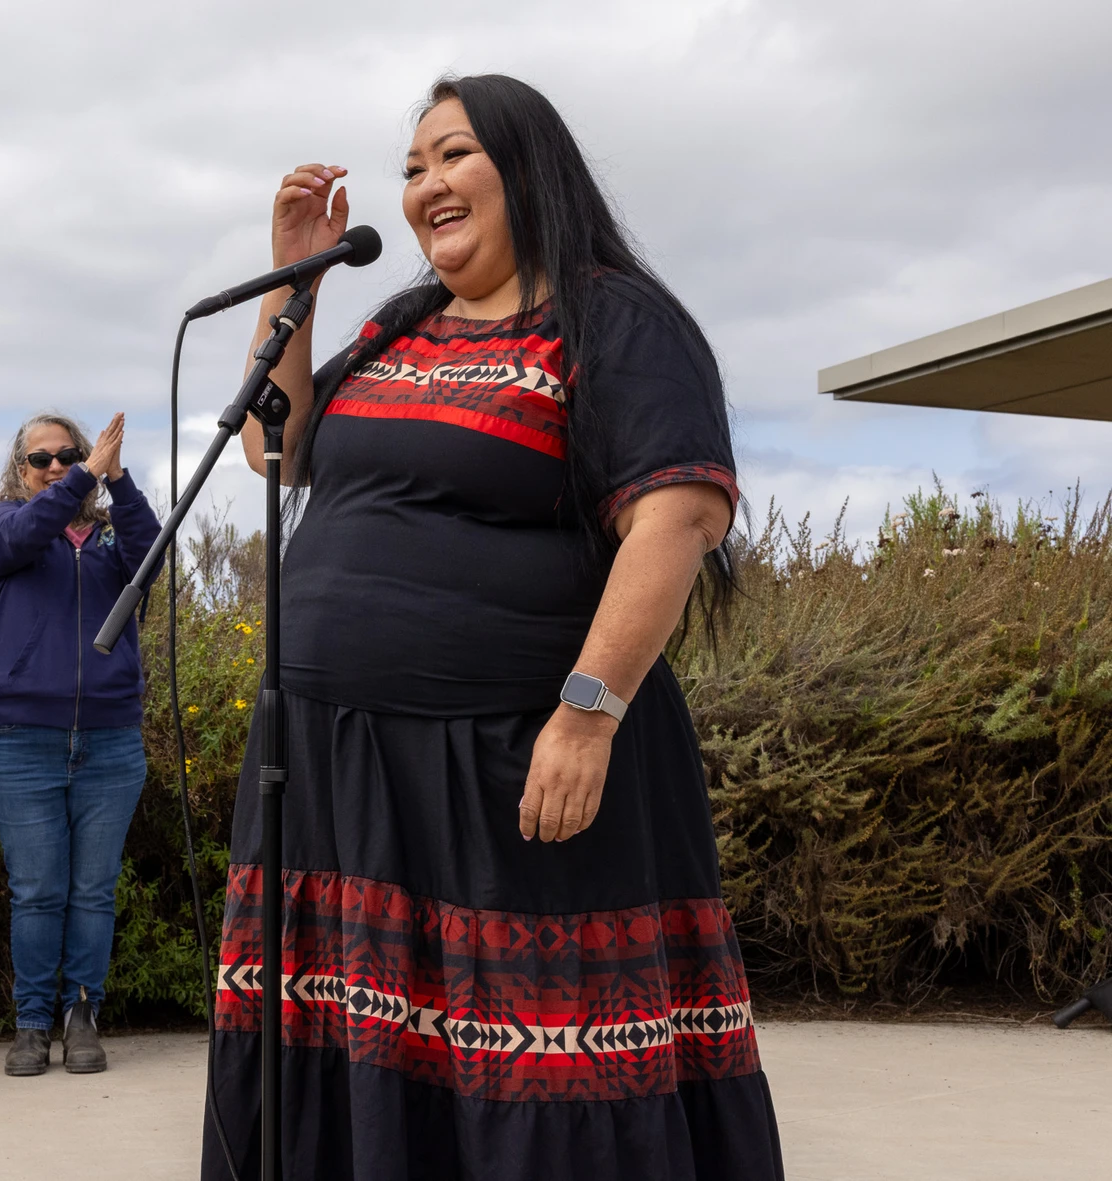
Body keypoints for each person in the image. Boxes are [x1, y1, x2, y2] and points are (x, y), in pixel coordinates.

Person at [204, 75, 785, 1179]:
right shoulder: (399, 321)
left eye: (452, 155)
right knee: (355, 1056)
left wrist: (587, 712)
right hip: (338, 765)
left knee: (534, 1071)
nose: (425, 184)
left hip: (503, 761)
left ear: (525, 166)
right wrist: (297, 281)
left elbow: (676, 515)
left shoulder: (612, 316)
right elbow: (272, 444)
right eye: (412, 167)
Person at [0, 411, 162, 1076]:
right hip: (23, 740)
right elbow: (32, 529)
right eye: (41, 459)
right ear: (20, 470)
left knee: (93, 889)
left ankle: (81, 1013)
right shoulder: (7, 525)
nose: (56, 467)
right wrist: (87, 472)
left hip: (111, 740)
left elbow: (152, 553)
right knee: (36, 890)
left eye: (70, 455)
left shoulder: (113, 541)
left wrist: (120, 481)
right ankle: (31, 1023)